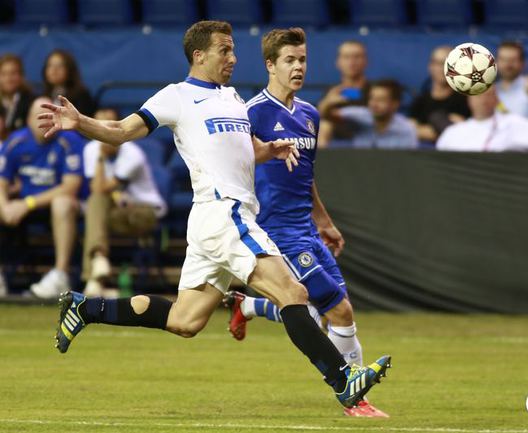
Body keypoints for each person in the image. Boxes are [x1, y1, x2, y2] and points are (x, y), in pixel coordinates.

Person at [38, 20, 390, 409]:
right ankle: (343, 380)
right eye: (224, 50)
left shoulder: (233, 98)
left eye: (233, 49)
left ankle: (86, 307)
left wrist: (268, 150)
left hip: (213, 221)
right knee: (293, 293)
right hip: (225, 213)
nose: (233, 58)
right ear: (199, 55)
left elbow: (241, 150)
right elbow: (122, 130)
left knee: (185, 320)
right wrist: (80, 122)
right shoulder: (177, 96)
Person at [224, 27, 389, 417]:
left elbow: (305, 177)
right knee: (339, 312)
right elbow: (232, 167)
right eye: (289, 60)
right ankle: (354, 398)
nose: (298, 67)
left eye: (302, 60)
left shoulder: (310, 115)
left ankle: (249, 307)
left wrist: (324, 222)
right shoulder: (251, 114)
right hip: (276, 231)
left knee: (320, 313)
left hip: (307, 230)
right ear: (270, 65)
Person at [0, 97, 85, 298]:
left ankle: (60, 274)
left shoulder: (70, 140)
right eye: (39, 116)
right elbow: (2, 181)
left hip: (56, 206)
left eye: (49, 116)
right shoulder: (16, 141)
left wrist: (27, 204)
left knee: (62, 203)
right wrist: (4, 207)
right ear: (28, 120)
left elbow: (70, 187)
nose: (44, 121)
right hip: (21, 206)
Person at [82, 108, 167, 297]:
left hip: (144, 211)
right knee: (95, 204)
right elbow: (96, 191)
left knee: (95, 211)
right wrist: (101, 156)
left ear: (119, 126)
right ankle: (98, 263)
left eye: (108, 125)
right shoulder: (90, 149)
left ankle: (94, 276)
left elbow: (102, 188)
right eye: (97, 125)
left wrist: (101, 156)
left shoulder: (132, 153)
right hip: (117, 211)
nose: (103, 130)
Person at [436, 87, 528, 151]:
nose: (483, 100)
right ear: (469, 99)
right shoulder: (452, 132)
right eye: (478, 95)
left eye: (488, 95)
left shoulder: (512, 123)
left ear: (496, 99)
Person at [327, 79, 417, 149]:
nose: (374, 104)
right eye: (372, 98)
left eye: (381, 99)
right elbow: (327, 115)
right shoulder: (360, 115)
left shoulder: (406, 130)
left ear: (395, 104)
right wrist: (328, 103)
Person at [409, 46, 470, 143]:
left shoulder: (466, 100)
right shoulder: (420, 101)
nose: (443, 69)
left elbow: (467, 134)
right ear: (430, 66)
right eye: (439, 63)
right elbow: (410, 131)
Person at [317, 41, 369, 146]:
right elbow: (315, 120)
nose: (352, 62)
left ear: (365, 61)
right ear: (338, 62)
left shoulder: (375, 90)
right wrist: (327, 103)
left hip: (369, 138)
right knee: (324, 126)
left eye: (357, 57)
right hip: (336, 141)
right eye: (346, 57)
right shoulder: (332, 92)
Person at [495, 41, 528, 119]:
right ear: (496, 62)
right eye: (503, 59)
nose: (507, 64)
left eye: (512, 60)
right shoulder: (488, 91)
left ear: (523, 63)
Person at [43, 49, 97, 117]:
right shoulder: (43, 95)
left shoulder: (81, 95)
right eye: (50, 65)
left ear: (69, 69)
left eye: (60, 66)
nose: (54, 70)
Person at [0, 54, 35, 137]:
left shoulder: (32, 102)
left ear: (21, 76)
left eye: (13, 73)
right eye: (4, 74)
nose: (8, 78)